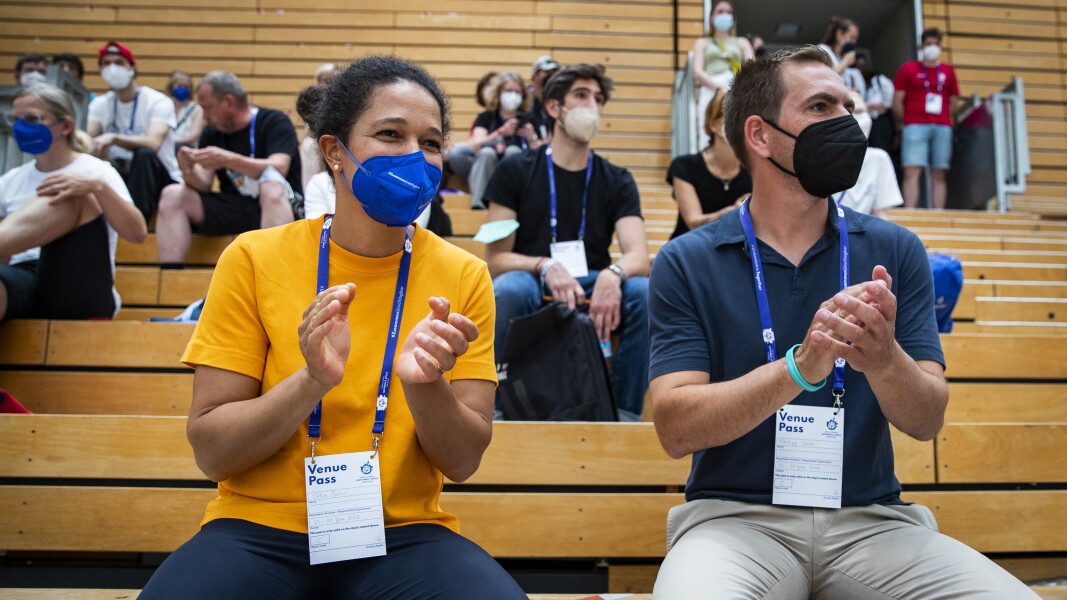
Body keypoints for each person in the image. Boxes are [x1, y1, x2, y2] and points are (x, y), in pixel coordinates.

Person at [647, 46, 1039, 599]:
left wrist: (884, 361)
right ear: (759, 136)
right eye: (821, 107)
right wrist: (802, 367)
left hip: (872, 524)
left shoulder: (895, 250)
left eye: (848, 107)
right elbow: (675, 427)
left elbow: (926, 419)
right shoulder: (686, 260)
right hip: (735, 524)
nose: (848, 124)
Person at [138, 55, 526, 600]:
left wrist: (423, 385)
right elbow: (213, 453)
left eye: (432, 142)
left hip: (404, 536)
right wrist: (312, 380)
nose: (415, 156)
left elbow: (462, 462)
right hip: (257, 530)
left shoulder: (463, 274)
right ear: (333, 152)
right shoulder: (253, 257)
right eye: (390, 134)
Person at [483, 63, 650, 421]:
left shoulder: (617, 178)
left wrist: (614, 273)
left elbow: (639, 255)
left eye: (599, 99)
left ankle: (624, 414)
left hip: (593, 282)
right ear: (554, 107)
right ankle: (495, 409)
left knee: (644, 293)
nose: (593, 106)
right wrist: (544, 265)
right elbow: (496, 259)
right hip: (534, 282)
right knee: (509, 288)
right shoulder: (514, 170)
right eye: (581, 95)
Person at [0, 84, 146, 321]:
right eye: (15, 119)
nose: (21, 127)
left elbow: (137, 233)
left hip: (79, 281)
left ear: (66, 126)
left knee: (75, 192)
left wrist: (97, 187)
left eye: (31, 119)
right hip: (22, 275)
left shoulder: (97, 171)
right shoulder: (10, 181)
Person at [155, 70, 302, 268]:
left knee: (271, 187)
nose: (205, 116)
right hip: (233, 205)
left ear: (229, 102)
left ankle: (273, 271)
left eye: (207, 108)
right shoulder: (212, 132)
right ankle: (168, 277)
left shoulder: (274, 121)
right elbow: (204, 184)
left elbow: (279, 167)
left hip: (276, 205)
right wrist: (187, 169)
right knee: (172, 194)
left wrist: (229, 160)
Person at [86, 41, 180, 221]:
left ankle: (137, 218)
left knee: (143, 154)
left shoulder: (157, 101)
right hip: (122, 173)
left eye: (119, 62)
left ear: (132, 67)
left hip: (160, 178)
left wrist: (113, 137)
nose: (113, 68)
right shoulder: (99, 104)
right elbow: (86, 142)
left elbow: (153, 144)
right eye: (107, 63)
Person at [666, 89, 751, 239]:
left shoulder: (755, 169)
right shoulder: (685, 166)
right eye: (734, 117)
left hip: (734, 251)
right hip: (688, 250)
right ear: (713, 124)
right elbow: (693, 222)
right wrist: (734, 211)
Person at [449, 71, 541, 210]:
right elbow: (477, 144)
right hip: (488, 167)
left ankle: (512, 203)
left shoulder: (530, 119)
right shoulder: (487, 117)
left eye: (517, 92)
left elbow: (541, 152)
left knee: (513, 152)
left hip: (516, 170)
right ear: (499, 92)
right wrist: (500, 133)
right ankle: (479, 205)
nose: (513, 95)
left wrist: (531, 136)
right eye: (509, 90)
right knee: (486, 153)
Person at [893, 27, 961, 210]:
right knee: (912, 169)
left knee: (939, 171)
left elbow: (954, 102)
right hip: (915, 125)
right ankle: (910, 211)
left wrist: (946, 116)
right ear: (921, 46)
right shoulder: (907, 69)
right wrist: (907, 120)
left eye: (937, 44)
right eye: (929, 44)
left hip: (942, 125)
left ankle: (939, 212)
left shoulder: (948, 71)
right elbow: (897, 102)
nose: (933, 47)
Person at [691, 0, 754, 148]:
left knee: (737, 128)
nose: (724, 15)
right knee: (708, 126)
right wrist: (718, 86)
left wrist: (736, 87)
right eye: (720, 12)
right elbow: (698, 71)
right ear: (712, 18)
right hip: (711, 88)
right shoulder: (703, 42)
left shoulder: (742, 42)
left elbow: (752, 67)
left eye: (728, 12)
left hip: (736, 87)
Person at [839, 92, 903, 218]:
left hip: (862, 230)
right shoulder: (821, 157)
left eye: (863, 112)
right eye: (854, 112)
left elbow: (881, 212)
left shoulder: (879, 158)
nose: (861, 118)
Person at [854, 51, 896, 154]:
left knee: (880, 151)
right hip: (858, 121)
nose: (860, 70)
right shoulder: (850, 81)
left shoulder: (878, 79)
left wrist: (882, 107)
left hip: (878, 122)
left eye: (863, 66)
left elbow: (891, 100)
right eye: (857, 67)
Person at [167, 70, 204, 149]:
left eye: (186, 87)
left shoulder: (197, 109)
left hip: (186, 148)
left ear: (190, 89)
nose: (182, 89)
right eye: (179, 86)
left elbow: (193, 136)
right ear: (171, 87)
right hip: (166, 148)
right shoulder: (165, 107)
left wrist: (171, 143)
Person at [529, 56, 559, 141]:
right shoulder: (526, 98)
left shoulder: (557, 99)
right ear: (535, 75)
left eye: (554, 72)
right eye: (547, 72)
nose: (551, 76)